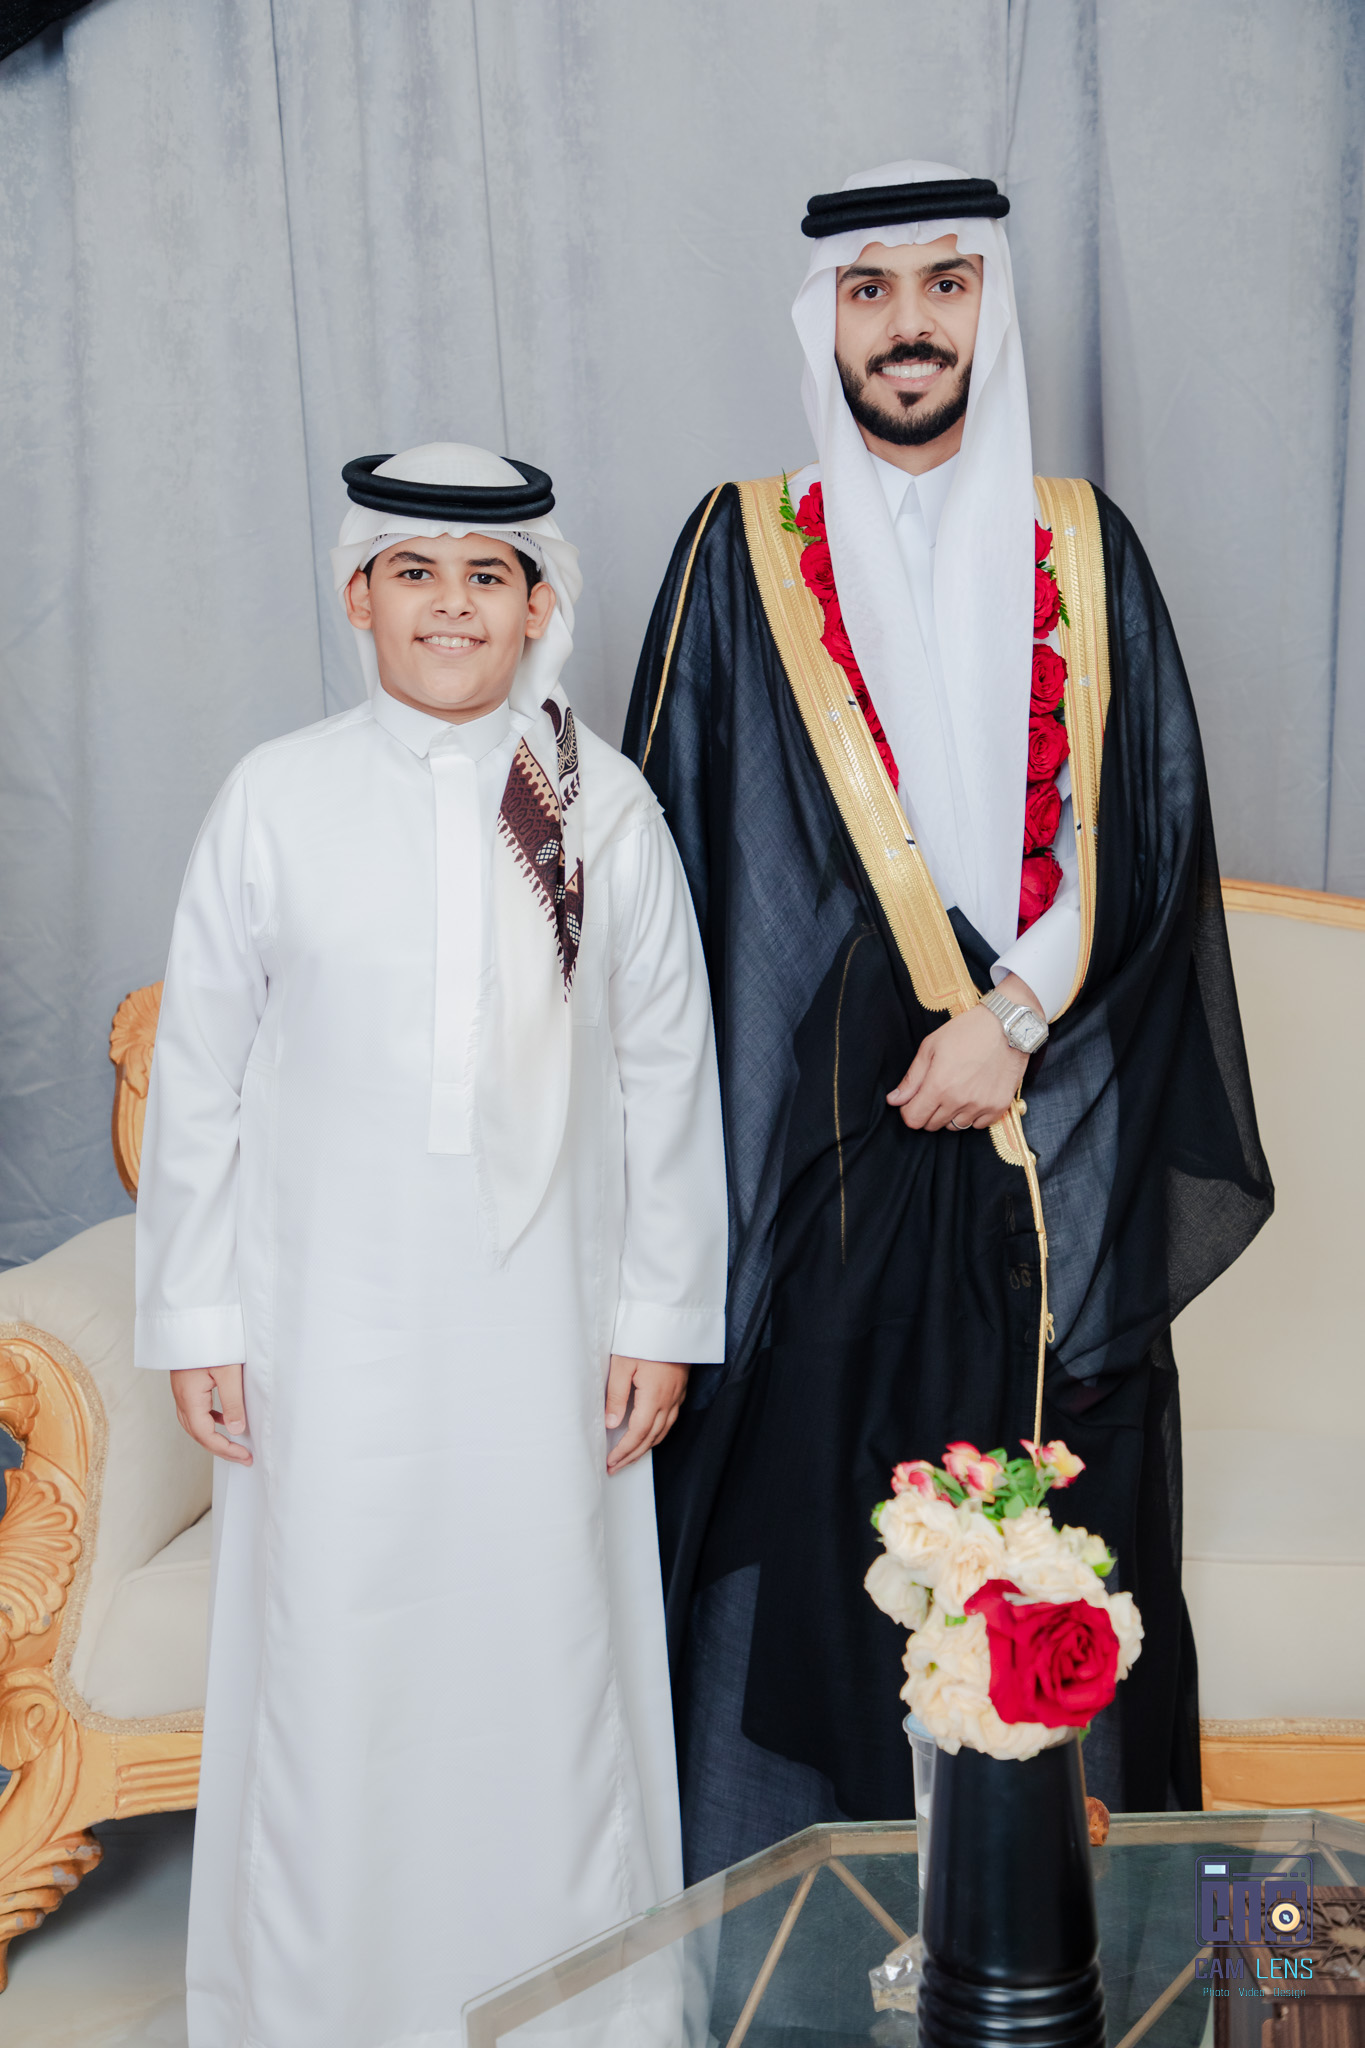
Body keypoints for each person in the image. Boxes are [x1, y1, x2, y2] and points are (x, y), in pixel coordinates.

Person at [624, 161, 1272, 1877]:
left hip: (1050, 1129)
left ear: (987, 306)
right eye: (869, 291)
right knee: (820, 1542)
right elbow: (676, 866)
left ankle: (1051, 1932)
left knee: (1061, 1537)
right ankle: (821, 1928)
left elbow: (1149, 832)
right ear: (823, 320)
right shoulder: (739, 547)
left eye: (943, 285)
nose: (906, 325)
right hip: (828, 1152)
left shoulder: (1082, 543)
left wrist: (1013, 1017)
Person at [135, 443, 727, 2046]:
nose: (450, 606)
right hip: (328, 1327)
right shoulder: (275, 797)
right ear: (358, 597)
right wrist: (198, 1314)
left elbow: (666, 1072)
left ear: (537, 605)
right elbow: (202, 1075)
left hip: (549, 1327)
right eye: (414, 573)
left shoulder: (601, 805)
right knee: (331, 1660)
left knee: (545, 1659)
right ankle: (323, 2006)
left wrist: (659, 1314)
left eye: (485, 576)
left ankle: (576, 2016)